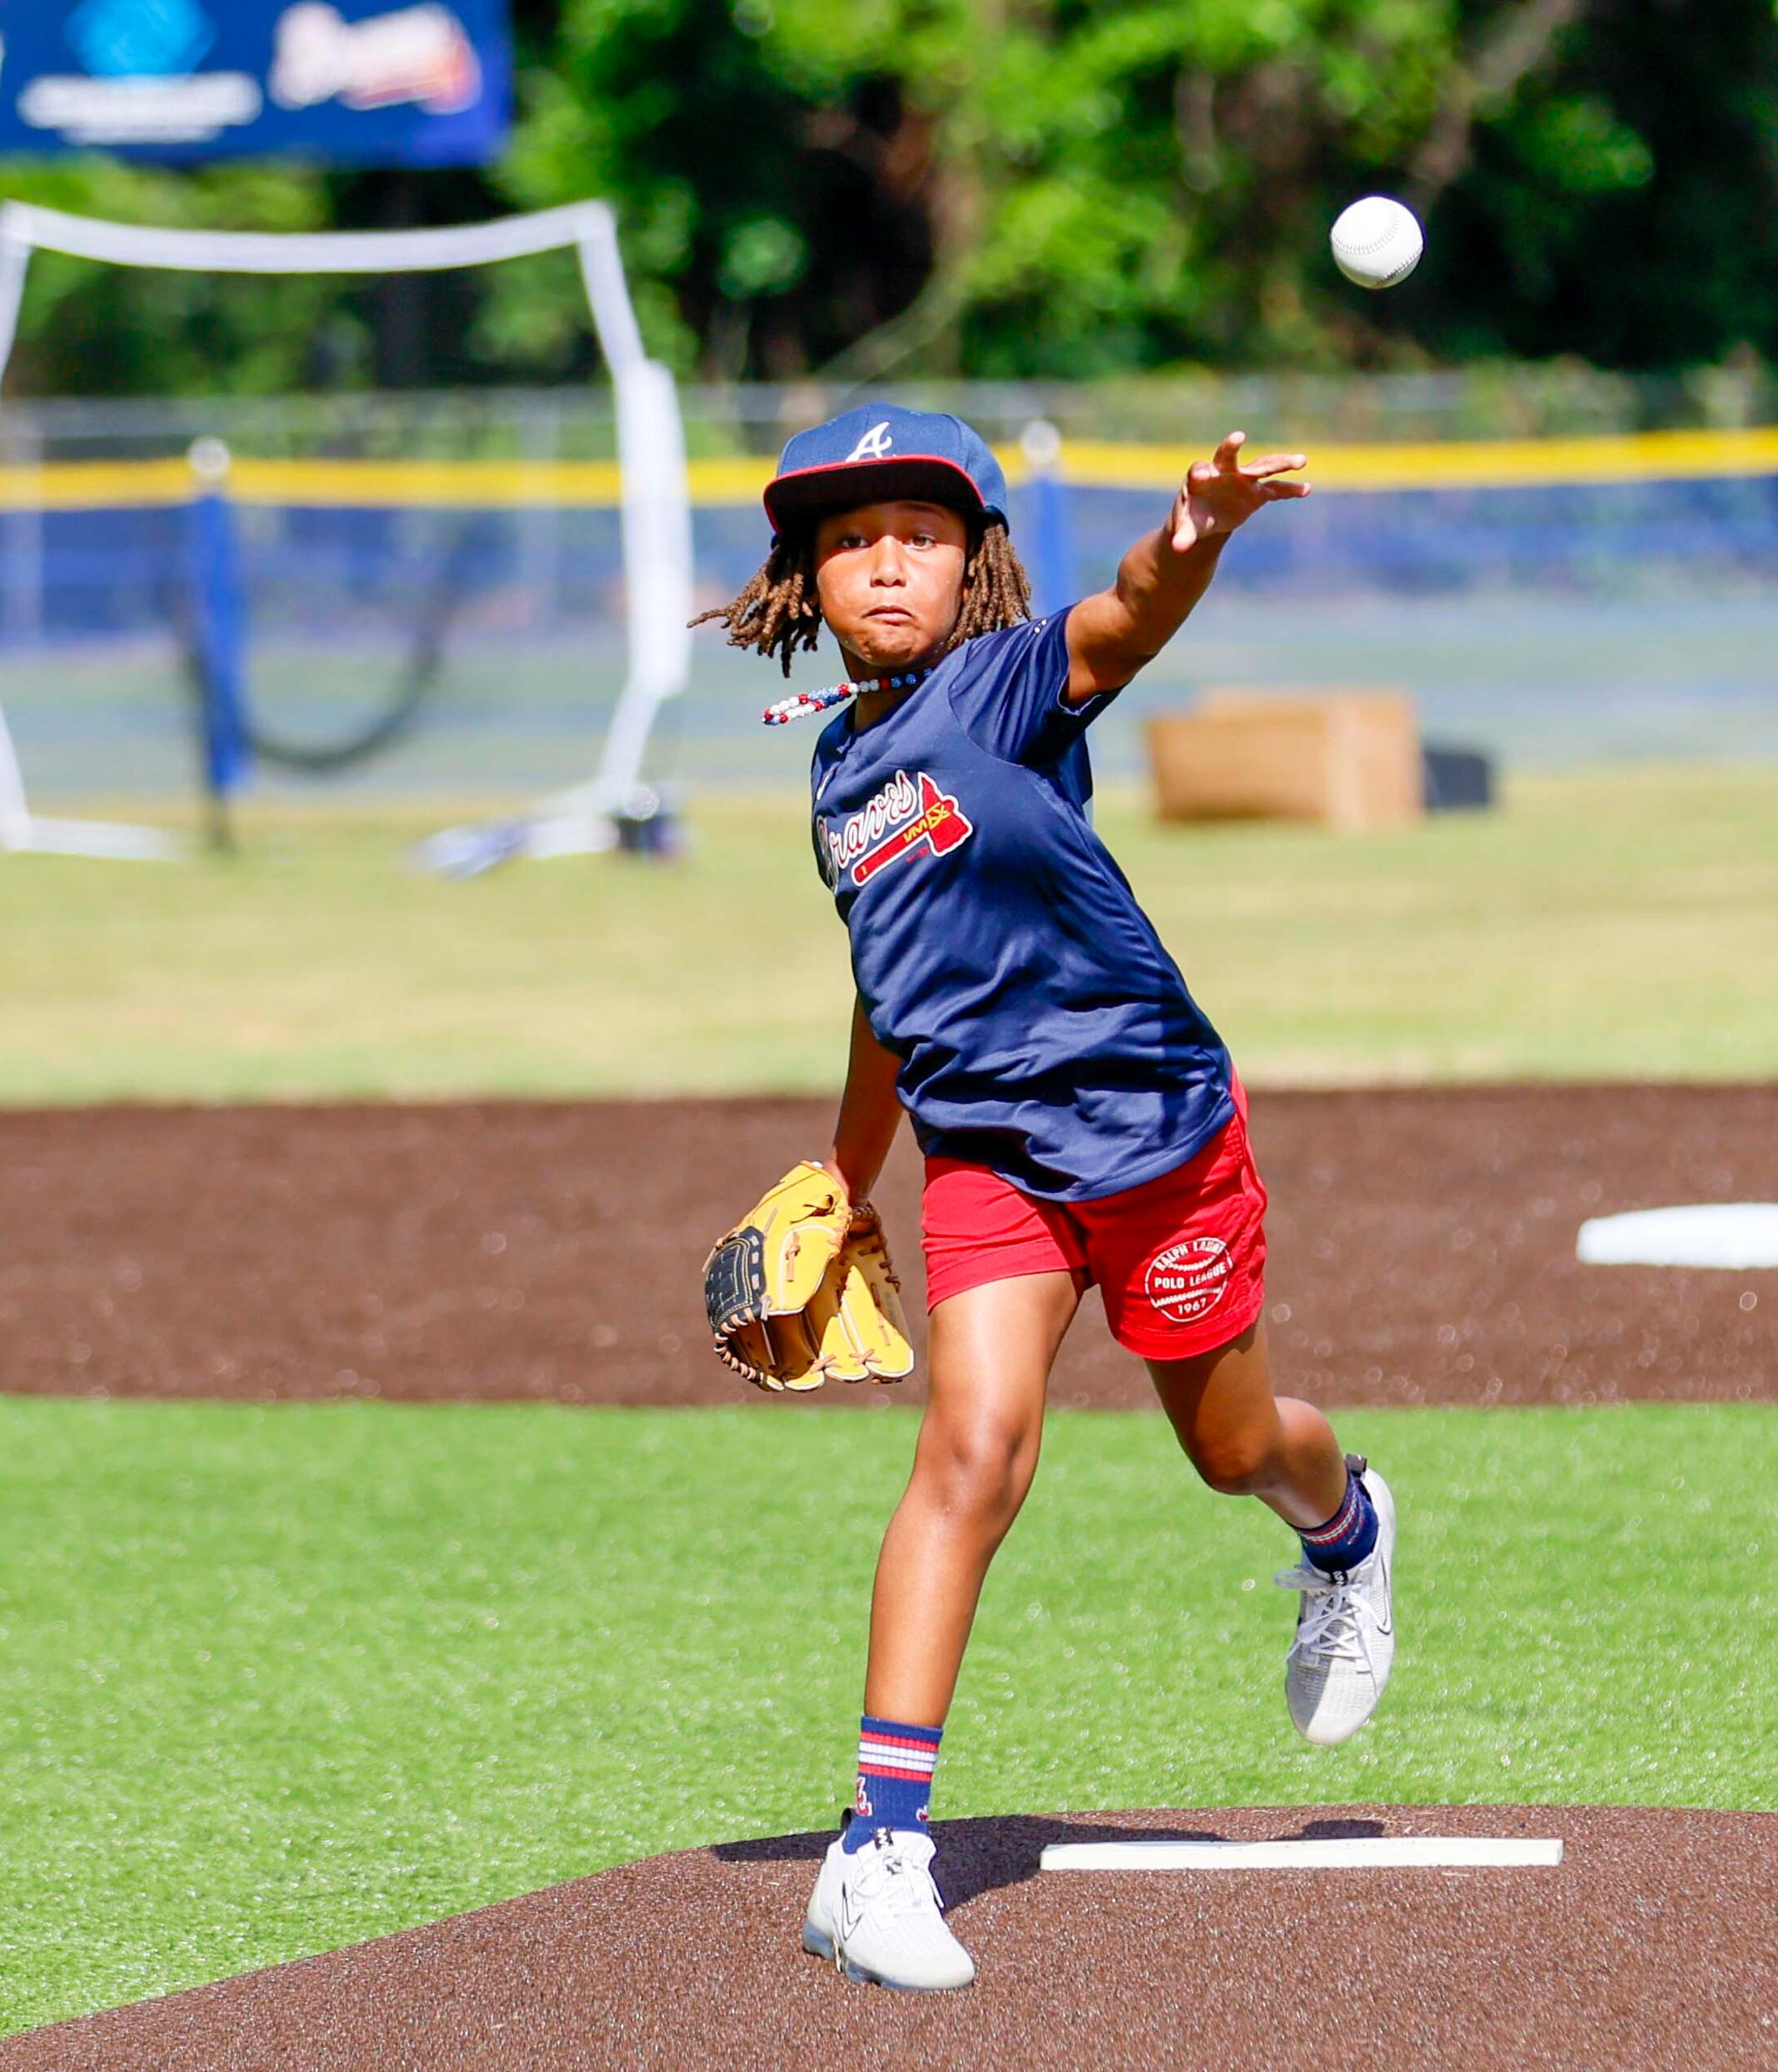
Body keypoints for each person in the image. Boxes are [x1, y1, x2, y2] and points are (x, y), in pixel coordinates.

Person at [696, 406, 1397, 1993]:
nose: (887, 557)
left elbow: (1122, 616)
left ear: (975, 564)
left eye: (923, 533)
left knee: (1234, 1445)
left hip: (1157, 1139)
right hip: (991, 1157)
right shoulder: (835, 771)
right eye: (854, 534)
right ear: (808, 570)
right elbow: (888, 987)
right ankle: (877, 1847)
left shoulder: (1001, 687)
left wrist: (1196, 532)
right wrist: (843, 1171)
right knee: (972, 1447)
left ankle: (1344, 1532)